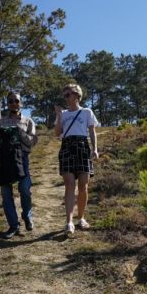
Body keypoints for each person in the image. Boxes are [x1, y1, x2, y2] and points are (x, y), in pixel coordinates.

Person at [53, 83, 99, 234]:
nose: (66, 97)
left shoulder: (86, 112)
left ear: (77, 95)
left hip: (82, 147)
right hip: (67, 147)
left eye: (69, 94)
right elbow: (57, 133)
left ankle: (81, 218)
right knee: (69, 185)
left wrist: (95, 149)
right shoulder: (64, 114)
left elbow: (92, 131)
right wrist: (59, 115)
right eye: (64, 95)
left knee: (83, 186)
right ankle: (69, 221)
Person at [0, 91, 38, 239]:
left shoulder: (28, 121)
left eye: (16, 101)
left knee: (25, 189)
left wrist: (20, 133)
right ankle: (13, 225)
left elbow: (31, 143)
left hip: (22, 158)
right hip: (5, 159)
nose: (13, 103)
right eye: (10, 101)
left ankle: (27, 215)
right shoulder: (0, 122)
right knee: (6, 194)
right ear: (7, 103)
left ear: (21, 103)